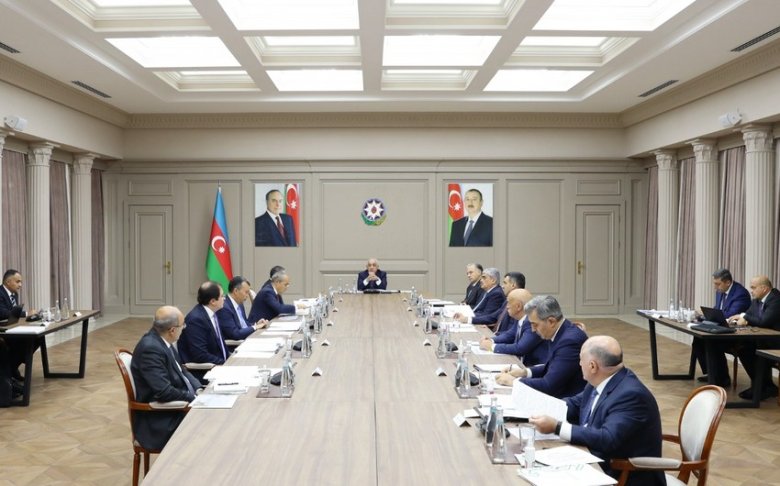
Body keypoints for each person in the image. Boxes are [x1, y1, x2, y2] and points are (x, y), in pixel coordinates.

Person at [530, 336, 664, 486]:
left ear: (593, 366)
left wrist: (557, 427)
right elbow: (572, 404)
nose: (579, 364)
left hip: (622, 475)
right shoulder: (601, 381)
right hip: (591, 460)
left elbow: (607, 438)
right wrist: (531, 406)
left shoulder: (631, 395)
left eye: (581, 359)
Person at [130, 306, 202, 451]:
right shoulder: (150, 349)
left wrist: (199, 389)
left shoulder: (162, 340)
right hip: (161, 420)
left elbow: (182, 370)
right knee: (213, 424)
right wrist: (193, 397)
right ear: (172, 330)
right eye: (183, 325)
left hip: (176, 407)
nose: (184, 328)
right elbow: (164, 392)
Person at [495, 295, 587, 399]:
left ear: (551, 321)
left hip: (564, 400)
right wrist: (524, 372)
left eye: (535, 325)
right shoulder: (561, 332)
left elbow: (549, 385)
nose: (533, 330)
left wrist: (514, 382)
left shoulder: (569, 341)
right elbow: (553, 366)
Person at [716, 275, 780, 400]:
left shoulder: (776, 299)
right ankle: (763, 386)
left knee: (749, 349)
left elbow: (763, 321)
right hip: (763, 339)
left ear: (764, 288)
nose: (751, 291)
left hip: (775, 342)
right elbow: (750, 315)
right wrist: (742, 317)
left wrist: (744, 316)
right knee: (744, 347)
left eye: (753, 288)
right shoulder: (757, 300)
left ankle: (762, 387)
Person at [693, 268, 751, 384]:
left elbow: (730, 315)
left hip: (736, 334)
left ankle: (722, 378)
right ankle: (711, 373)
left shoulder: (741, 294)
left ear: (728, 282)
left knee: (711, 342)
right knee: (698, 340)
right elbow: (718, 310)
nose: (715, 287)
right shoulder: (721, 291)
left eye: (717, 284)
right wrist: (705, 314)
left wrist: (708, 314)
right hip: (721, 328)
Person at [479, 288, 548, 367]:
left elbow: (520, 348)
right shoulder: (519, 318)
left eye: (508, 302)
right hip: (519, 363)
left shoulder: (531, 322)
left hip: (534, 367)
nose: (506, 306)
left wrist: (492, 346)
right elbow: (509, 335)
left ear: (518, 306)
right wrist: (491, 340)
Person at [177, 281, 229, 382]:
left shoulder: (212, 314)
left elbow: (220, 345)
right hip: (204, 372)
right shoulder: (195, 320)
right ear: (213, 301)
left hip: (219, 365)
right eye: (222, 296)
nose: (224, 298)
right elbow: (200, 355)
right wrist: (226, 364)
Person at [0, 270, 37, 383]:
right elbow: (3, 313)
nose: (20, 285)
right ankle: (10, 371)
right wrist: (26, 314)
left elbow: (14, 314)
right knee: (24, 342)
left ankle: (12, 368)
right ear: (8, 282)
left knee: (37, 338)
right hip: (3, 330)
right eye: (17, 282)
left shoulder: (14, 294)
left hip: (13, 328)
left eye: (21, 282)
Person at [217, 276, 267, 341]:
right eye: (246, 292)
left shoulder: (240, 303)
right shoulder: (224, 307)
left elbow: (244, 324)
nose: (247, 295)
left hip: (246, 338)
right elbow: (235, 334)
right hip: (236, 344)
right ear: (236, 291)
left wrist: (256, 324)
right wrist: (255, 327)